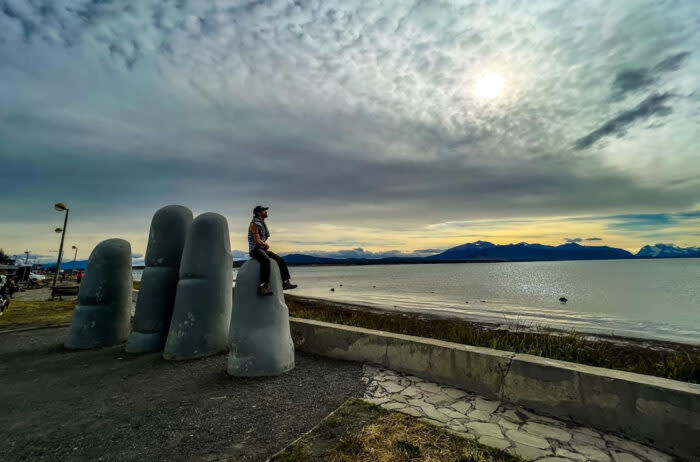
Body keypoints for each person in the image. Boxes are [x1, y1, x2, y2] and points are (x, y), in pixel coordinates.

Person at [248, 205, 297, 296]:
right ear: (259, 213)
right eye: (264, 210)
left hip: (262, 249)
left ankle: (285, 283)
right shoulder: (254, 224)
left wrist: (264, 246)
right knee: (266, 260)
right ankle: (263, 286)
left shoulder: (262, 224)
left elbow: (261, 239)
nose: (266, 212)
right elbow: (257, 240)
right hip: (255, 249)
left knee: (280, 260)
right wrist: (266, 244)